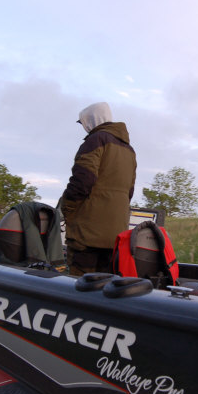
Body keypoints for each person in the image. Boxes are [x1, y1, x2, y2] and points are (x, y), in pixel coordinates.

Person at [60, 102, 137, 275]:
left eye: (83, 123)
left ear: (91, 120)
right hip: (115, 234)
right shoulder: (129, 150)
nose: (84, 127)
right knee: (105, 284)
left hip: (87, 233)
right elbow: (129, 192)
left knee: (78, 283)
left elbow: (82, 181)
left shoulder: (95, 140)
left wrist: (67, 207)